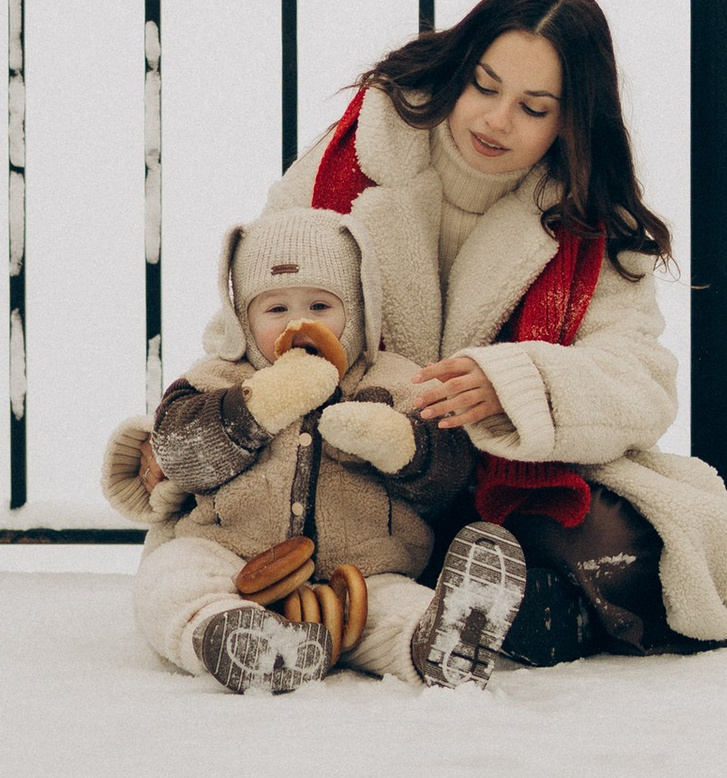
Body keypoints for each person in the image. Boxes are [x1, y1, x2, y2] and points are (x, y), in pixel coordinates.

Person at [251, 0, 727, 664]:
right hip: (359, 473)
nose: (495, 120)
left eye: (532, 106)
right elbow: (256, 299)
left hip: (506, 486)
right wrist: (197, 427)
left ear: (570, 120)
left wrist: (518, 386)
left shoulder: (588, 217)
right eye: (484, 85)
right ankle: (556, 614)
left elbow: (643, 379)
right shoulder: (355, 157)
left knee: (591, 529)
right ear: (459, 68)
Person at [101, 206, 523, 694]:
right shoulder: (219, 378)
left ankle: (436, 642)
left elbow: (449, 475)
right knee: (171, 578)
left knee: (394, 608)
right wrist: (257, 407)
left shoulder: (393, 380)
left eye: (321, 307)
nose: (298, 322)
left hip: (365, 573)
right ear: (243, 317)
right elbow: (176, 451)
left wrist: (399, 443)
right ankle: (229, 635)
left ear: (359, 309)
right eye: (275, 309)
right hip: (230, 557)